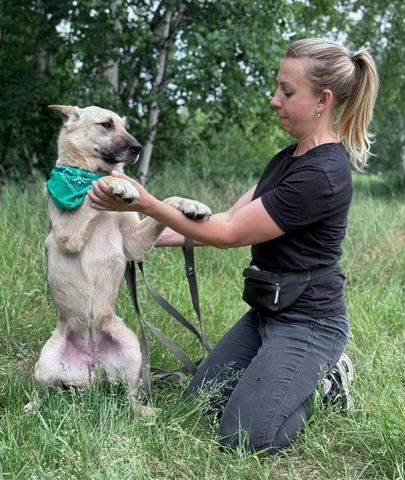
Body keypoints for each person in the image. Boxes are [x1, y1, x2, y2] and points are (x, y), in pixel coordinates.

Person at [89, 38, 379, 455]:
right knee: (198, 406)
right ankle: (274, 371)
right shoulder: (287, 158)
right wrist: (135, 234)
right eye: (278, 88)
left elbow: (226, 234)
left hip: (310, 322)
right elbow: (222, 218)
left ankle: (328, 380)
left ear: (323, 100)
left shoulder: (323, 175)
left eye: (288, 92)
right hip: (266, 311)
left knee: (245, 439)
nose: (274, 100)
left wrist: (143, 199)